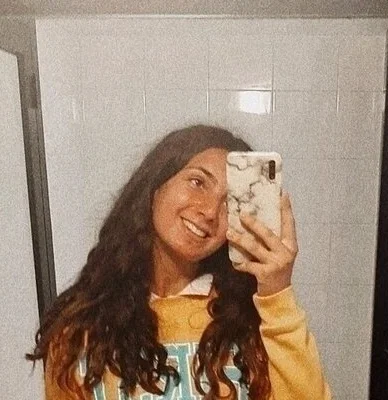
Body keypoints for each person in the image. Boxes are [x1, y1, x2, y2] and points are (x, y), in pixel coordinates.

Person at [27, 125, 331, 399]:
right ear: (155, 185)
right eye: (197, 182)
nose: (210, 211)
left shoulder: (250, 319)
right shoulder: (80, 326)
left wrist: (277, 293)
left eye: (230, 202)